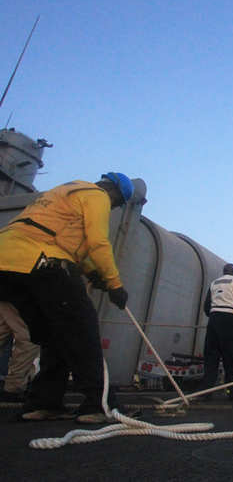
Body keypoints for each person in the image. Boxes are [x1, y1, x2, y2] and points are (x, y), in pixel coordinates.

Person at [0, 172, 133, 423]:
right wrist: (115, 284)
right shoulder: (97, 195)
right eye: (116, 204)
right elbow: (98, 242)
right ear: (114, 192)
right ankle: (98, 405)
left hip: (8, 266)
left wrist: (93, 273)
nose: (113, 207)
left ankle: (43, 403)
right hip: (42, 262)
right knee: (82, 330)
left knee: (54, 335)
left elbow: (61, 241)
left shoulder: (63, 193)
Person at [200, 263, 233, 401]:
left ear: (223, 272)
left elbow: (206, 307)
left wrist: (215, 316)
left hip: (214, 321)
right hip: (230, 320)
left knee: (211, 359)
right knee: (231, 358)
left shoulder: (214, 283)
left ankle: (205, 394)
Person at [0, 301, 39, 402]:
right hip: (19, 293)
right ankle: (15, 385)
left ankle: (16, 384)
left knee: (4, 329)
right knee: (30, 337)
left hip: (10, 292)